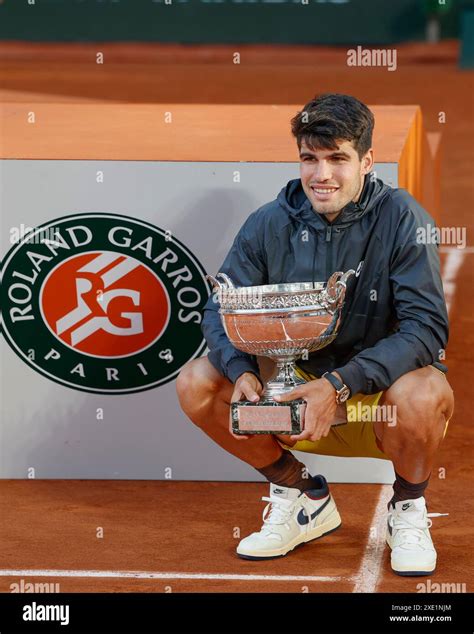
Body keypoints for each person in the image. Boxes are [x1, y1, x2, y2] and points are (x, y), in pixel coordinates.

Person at [176, 93, 454, 576]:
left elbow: (425, 328)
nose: (321, 174)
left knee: (425, 392)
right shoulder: (267, 222)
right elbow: (220, 307)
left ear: (366, 161)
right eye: (310, 158)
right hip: (293, 401)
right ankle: (302, 495)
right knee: (198, 381)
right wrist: (240, 370)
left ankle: (407, 507)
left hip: (373, 402)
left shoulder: (404, 218)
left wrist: (338, 385)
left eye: (337, 159)